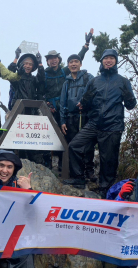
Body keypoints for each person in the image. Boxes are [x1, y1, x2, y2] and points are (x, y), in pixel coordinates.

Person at [64, 49, 137, 194]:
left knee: (108, 159)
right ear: (102, 61)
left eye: (111, 58)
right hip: (93, 124)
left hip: (113, 126)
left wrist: (128, 95)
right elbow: (86, 102)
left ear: (115, 61)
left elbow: (131, 105)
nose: (108, 61)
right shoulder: (94, 81)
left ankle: (106, 188)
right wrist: (83, 102)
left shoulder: (123, 81)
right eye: (105, 58)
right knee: (74, 146)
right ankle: (78, 178)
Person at [42, 28, 94, 169]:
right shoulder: (44, 74)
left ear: (59, 60)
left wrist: (85, 46)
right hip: (52, 110)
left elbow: (76, 60)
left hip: (66, 109)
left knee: (66, 137)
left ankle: (64, 165)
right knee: (52, 135)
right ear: (47, 61)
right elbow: (39, 90)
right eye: (50, 59)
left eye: (55, 58)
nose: (53, 60)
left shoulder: (64, 72)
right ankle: (52, 164)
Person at [60, 54, 95, 181]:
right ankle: (76, 174)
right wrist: (62, 121)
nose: (73, 64)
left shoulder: (88, 78)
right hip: (71, 117)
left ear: (80, 64)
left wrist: (85, 103)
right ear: (68, 65)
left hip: (85, 116)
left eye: (76, 62)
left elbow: (94, 94)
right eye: (71, 62)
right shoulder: (66, 83)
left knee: (88, 144)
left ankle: (89, 171)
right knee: (73, 144)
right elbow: (62, 103)